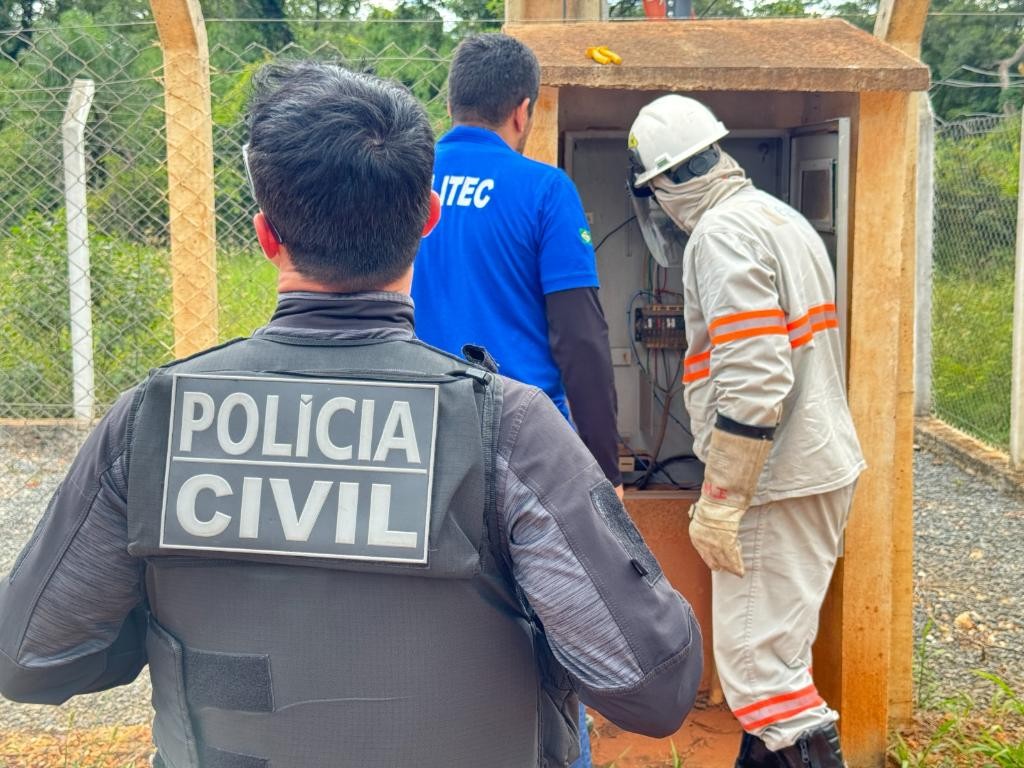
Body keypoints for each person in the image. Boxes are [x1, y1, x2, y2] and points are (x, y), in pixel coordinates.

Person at [0, 62, 703, 768]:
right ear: (428, 219)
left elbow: (31, 658)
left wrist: (161, 618)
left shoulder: (153, 422)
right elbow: (653, 685)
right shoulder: (512, 431)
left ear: (266, 234)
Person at [626, 95, 866, 768]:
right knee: (772, 666)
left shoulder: (721, 234)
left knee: (763, 680)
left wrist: (723, 499)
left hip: (775, 481)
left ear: (665, 182)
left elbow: (757, 379)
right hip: (813, 466)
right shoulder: (776, 216)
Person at [411, 39, 621, 763]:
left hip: (417, 437)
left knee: (432, 628)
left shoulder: (405, 182)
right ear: (523, 111)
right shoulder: (544, 190)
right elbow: (580, 338)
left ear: (451, 103)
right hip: (522, 448)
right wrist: (603, 471)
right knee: (549, 633)